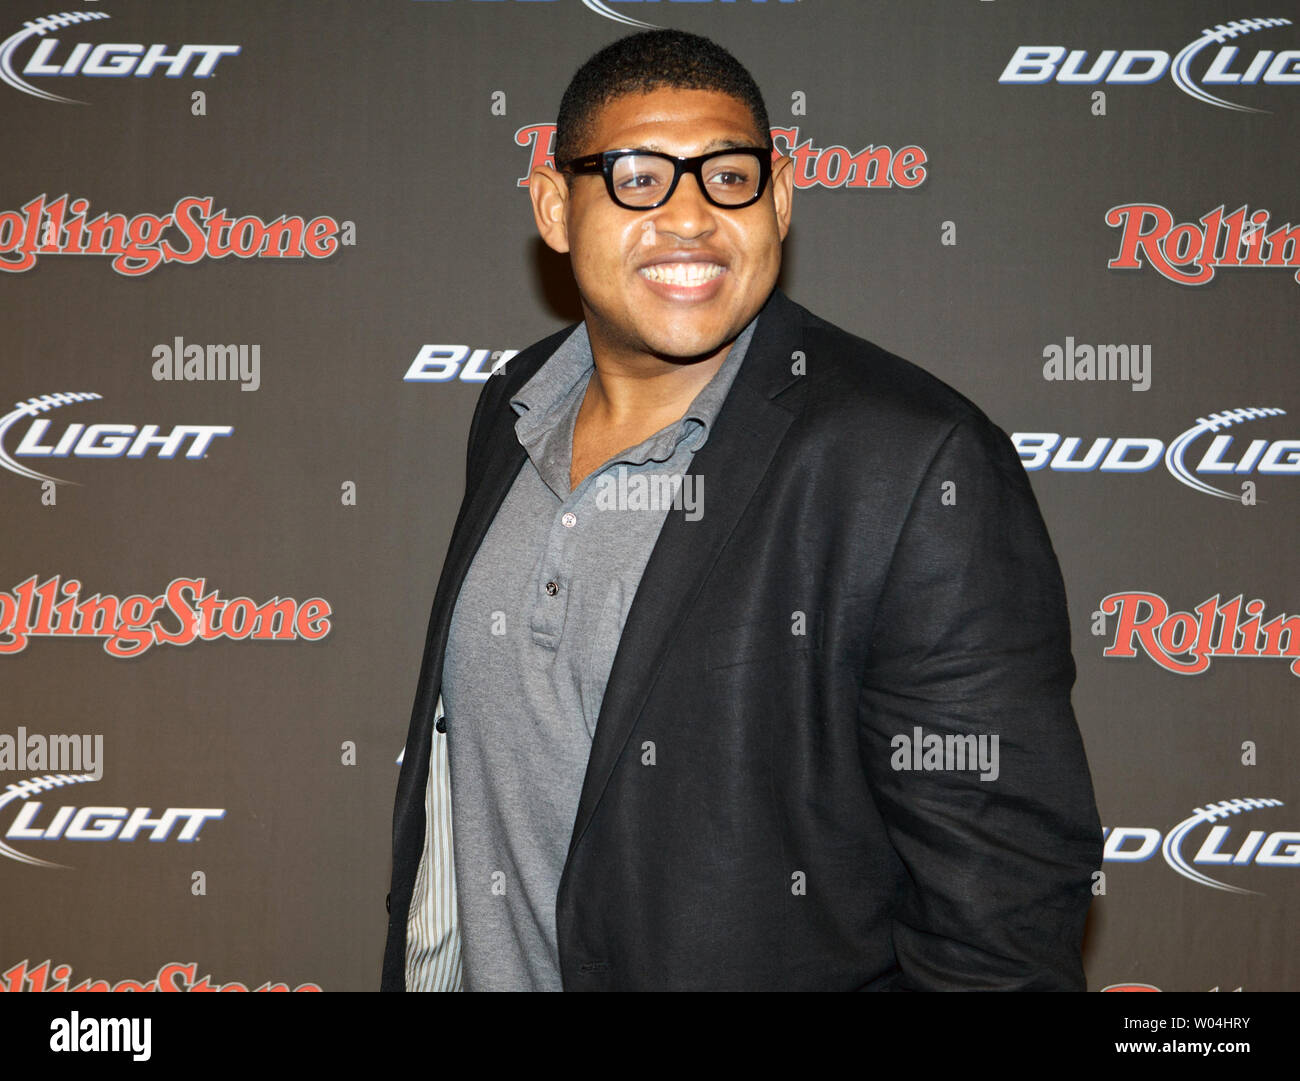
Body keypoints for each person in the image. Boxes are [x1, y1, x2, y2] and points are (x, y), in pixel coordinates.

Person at [382, 28, 1102, 991]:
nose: (690, 217)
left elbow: (1003, 907)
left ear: (782, 199)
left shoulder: (911, 459)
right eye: (638, 176)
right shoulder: (513, 404)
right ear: (556, 208)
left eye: (729, 176)